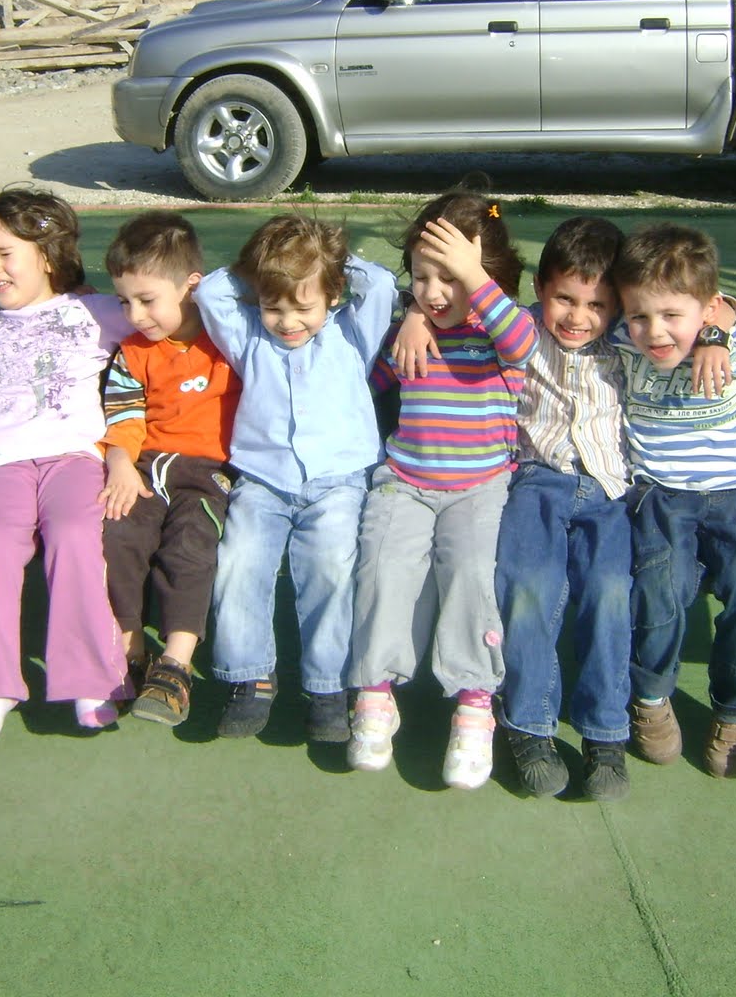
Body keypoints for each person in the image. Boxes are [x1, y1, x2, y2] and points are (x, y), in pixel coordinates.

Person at [348, 180, 537, 790]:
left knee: (472, 572)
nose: (434, 293)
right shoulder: (412, 330)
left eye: (450, 278)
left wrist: (472, 278)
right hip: (404, 481)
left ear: (486, 276)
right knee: (383, 566)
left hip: (481, 487)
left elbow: (523, 343)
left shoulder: (500, 330)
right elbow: (365, 386)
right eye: (422, 277)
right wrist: (407, 315)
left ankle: (475, 703)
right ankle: (375, 693)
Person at [194, 215, 396, 743]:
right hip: (264, 480)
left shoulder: (352, 334)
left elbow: (380, 285)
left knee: (330, 564)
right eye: (273, 306)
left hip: (338, 480)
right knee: (240, 561)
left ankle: (327, 686)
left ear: (333, 296)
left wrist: (327, 258)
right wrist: (263, 267)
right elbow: (212, 292)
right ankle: (250, 676)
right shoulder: (249, 337)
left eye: (303, 307)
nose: (287, 321)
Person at [610, 223, 736, 779]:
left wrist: (721, 328)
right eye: (640, 315)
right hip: (661, 492)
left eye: (672, 315)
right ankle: (651, 696)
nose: (654, 331)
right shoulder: (620, 338)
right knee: (660, 588)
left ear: (708, 307)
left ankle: (735, 711)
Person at [0, 187, 133, 748]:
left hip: (73, 457)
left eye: (7, 254)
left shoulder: (94, 312)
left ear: (48, 256)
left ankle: (90, 681)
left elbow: (164, 315)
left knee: (76, 535)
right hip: (2, 463)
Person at [492, 216, 636, 801]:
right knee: (528, 584)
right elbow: (466, 310)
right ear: (540, 289)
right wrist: (419, 316)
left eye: (597, 304)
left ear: (618, 303)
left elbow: (696, 306)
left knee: (611, 590)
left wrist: (715, 328)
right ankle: (529, 723)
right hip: (536, 479)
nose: (579, 317)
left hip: (608, 489)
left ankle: (606, 732)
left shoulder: (630, 339)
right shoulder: (520, 332)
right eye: (565, 299)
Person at [98, 212, 240, 727]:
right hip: (145, 465)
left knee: (190, 544)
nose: (135, 315)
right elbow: (124, 414)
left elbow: (244, 287)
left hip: (207, 471)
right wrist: (119, 463)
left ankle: (175, 665)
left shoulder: (230, 339)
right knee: (117, 534)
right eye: (124, 301)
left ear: (191, 287)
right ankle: (130, 650)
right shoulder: (134, 352)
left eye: (147, 299)